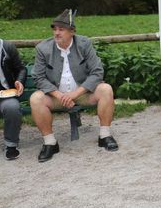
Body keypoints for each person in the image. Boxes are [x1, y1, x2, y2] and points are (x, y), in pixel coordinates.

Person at [30, 9, 118, 162]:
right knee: (35, 99)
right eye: (54, 29)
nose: (57, 33)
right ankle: (50, 143)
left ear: (72, 31)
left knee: (106, 89)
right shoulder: (43, 49)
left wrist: (75, 94)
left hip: (83, 94)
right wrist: (59, 95)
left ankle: (105, 135)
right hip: (55, 97)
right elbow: (38, 77)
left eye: (61, 29)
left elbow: (97, 72)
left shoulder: (84, 44)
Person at [0, 39, 26, 160]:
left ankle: (11, 146)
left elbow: (21, 69)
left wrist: (19, 81)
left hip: (5, 95)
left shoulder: (6, 47)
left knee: (12, 107)